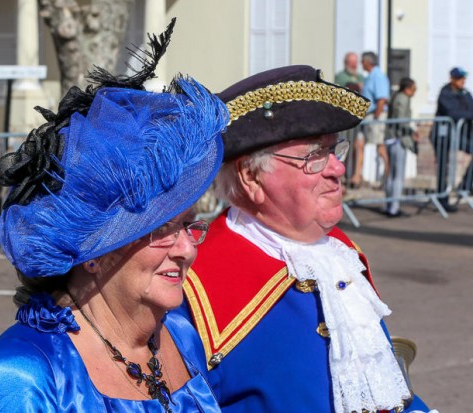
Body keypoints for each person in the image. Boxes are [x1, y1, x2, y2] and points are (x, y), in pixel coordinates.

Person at [0, 22, 230, 412]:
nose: (187, 249)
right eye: (162, 230)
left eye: (188, 225)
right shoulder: (22, 376)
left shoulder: (180, 334)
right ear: (93, 252)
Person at [176, 65, 434, 412]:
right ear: (251, 177)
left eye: (334, 150)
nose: (338, 169)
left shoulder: (341, 254)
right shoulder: (193, 280)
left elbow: (387, 389)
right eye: (315, 156)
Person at [434, 67, 473, 211]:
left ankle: (465, 186)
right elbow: (453, 112)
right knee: (442, 166)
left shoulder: (465, 93)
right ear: (452, 79)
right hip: (443, 134)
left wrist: (465, 114)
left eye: (463, 78)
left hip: (460, 133)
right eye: (459, 78)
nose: (463, 81)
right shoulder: (445, 93)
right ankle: (442, 198)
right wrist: (466, 114)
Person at [351, 51, 391, 189]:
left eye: (362, 61)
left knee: (380, 146)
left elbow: (382, 99)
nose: (361, 64)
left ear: (368, 62)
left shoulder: (378, 76)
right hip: (366, 116)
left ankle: (387, 177)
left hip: (375, 115)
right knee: (359, 144)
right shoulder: (369, 76)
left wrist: (376, 116)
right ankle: (357, 176)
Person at [385, 77, 418, 217]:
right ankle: (394, 208)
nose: (415, 92)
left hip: (392, 138)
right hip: (398, 139)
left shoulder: (396, 97)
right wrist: (411, 130)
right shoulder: (402, 99)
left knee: (392, 175)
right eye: (414, 89)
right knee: (397, 176)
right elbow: (401, 121)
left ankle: (390, 206)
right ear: (407, 89)